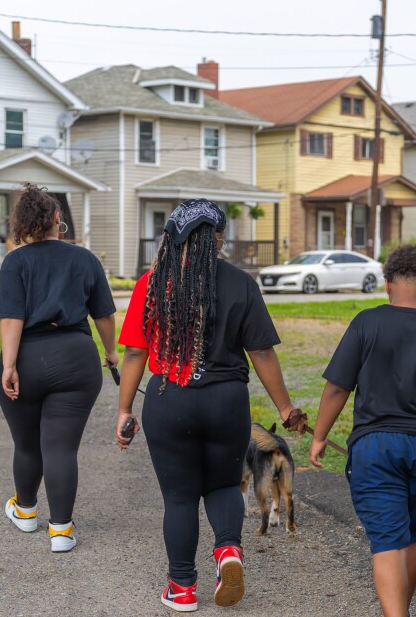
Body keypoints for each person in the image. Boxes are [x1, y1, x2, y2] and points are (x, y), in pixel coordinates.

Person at [115, 199, 307, 613]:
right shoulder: (240, 284)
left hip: (170, 399)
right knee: (222, 485)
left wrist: (124, 410)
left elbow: (134, 354)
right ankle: (228, 553)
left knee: (180, 496)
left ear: (172, 237)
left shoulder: (151, 284)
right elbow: (262, 353)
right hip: (226, 402)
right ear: (218, 240)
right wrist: (287, 408)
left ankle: (182, 588)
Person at [309, 244, 416, 617]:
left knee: (388, 540)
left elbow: (338, 386)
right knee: (412, 533)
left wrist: (320, 435)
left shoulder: (365, 322)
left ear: (387, 284)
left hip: (374, 447)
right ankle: (399, 608)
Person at [0, 183, 118, 553]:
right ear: (57, 219)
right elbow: (104, 314)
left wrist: (9, 366)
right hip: (76, 358)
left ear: (21, 224)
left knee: (28, 445)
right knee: (61, 448)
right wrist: (110, 352)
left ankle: (26, 511)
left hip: (28, 356)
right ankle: (61, 530)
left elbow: (11, 317)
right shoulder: (85, 259)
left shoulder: (16, 261)